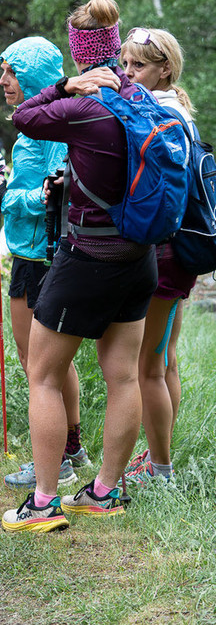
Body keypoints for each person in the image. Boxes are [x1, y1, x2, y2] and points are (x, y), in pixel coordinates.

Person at [1, 0, 157, 532]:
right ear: (115, 47)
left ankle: (44, 503)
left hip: (87, 255)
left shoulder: (86, 105)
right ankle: (105, 492)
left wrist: (65, 85)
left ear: (78, 52)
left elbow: (24, 117)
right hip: (139, 256)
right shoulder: (143, 98)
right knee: (123, 376)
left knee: (44, 375)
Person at [0, 36, 88, 491]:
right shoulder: (38, 125)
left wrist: (4, 195)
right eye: (4, 71)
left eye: (12, 72)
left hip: (43, 255)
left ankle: (58, 458)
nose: (3, 80)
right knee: (52, 362)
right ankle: (72, 447)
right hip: (31, 251)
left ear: (35, 76)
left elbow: (54, 192)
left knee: (37, 362)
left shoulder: (53, 127)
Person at [120, 27, 197, 486]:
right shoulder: (178, 110)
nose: (128, 73)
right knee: (164, 359)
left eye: (139, 65)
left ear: (165, 69)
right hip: (180, 249)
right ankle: (155, 454)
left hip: (164, 253)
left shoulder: (159, 114)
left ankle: (160, 470)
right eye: (125, 64)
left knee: (147, 366)